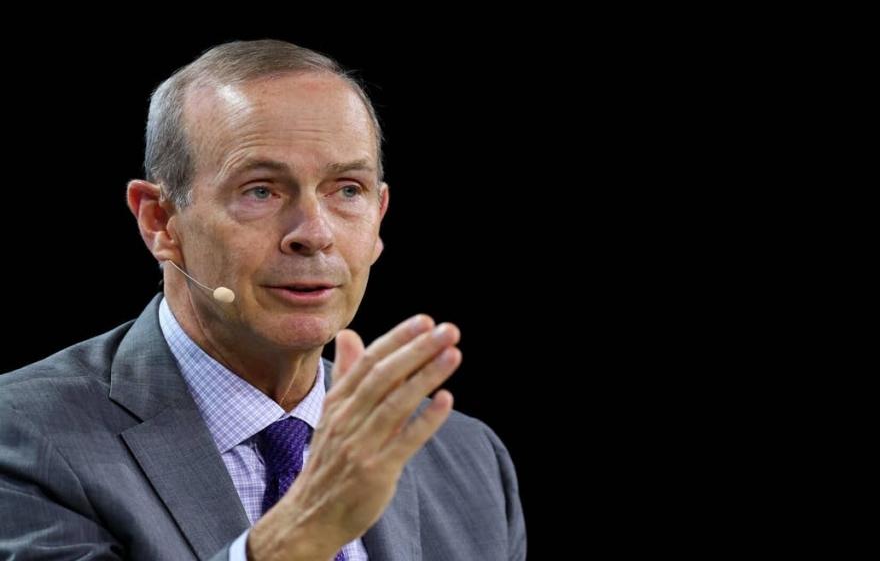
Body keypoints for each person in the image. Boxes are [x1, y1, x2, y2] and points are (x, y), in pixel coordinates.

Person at [0, 39, 526, 560]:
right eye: (261, 190)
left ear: (379, 217)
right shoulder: (24, 435)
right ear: (160, 221)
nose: (314, 233)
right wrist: (301, 537)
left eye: (347, 189)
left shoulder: (468, 459)